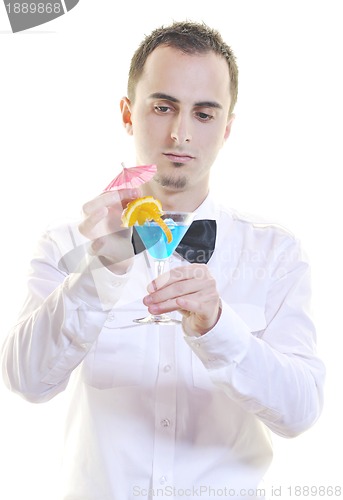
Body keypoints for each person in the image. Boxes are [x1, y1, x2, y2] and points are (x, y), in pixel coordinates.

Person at [1, 21, 325, 500]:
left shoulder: (275, 254)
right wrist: (99, 274)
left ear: (227, 128)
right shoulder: (65, 243)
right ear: (128, 114)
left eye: (204, 114)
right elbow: (27, 381)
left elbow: (300, 413)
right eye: (163, 107)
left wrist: (219, 327)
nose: (180, 133)